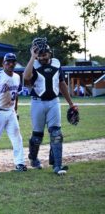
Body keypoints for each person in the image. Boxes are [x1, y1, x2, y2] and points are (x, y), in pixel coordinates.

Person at [24, 37, 77, 175]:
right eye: (39, 55)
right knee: (37, 136)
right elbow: (26, 77)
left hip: (54, 101)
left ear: (49, 53)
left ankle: (57, 165)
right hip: (37, 102)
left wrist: (71, 103)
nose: (42, 57)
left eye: (44, 54)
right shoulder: (33, 64)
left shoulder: (56, 63)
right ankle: (33, 158)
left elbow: (62, 84)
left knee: (56, 134)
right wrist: (32, 57)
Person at [0, 53, 27, 172]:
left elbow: (16, 94)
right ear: (3, 63)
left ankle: (20, 163)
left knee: (17, 137)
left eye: (13, 62)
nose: (10, 64)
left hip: (10, 112)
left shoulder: (17, 77)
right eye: (8, 62)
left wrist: (16, 110)